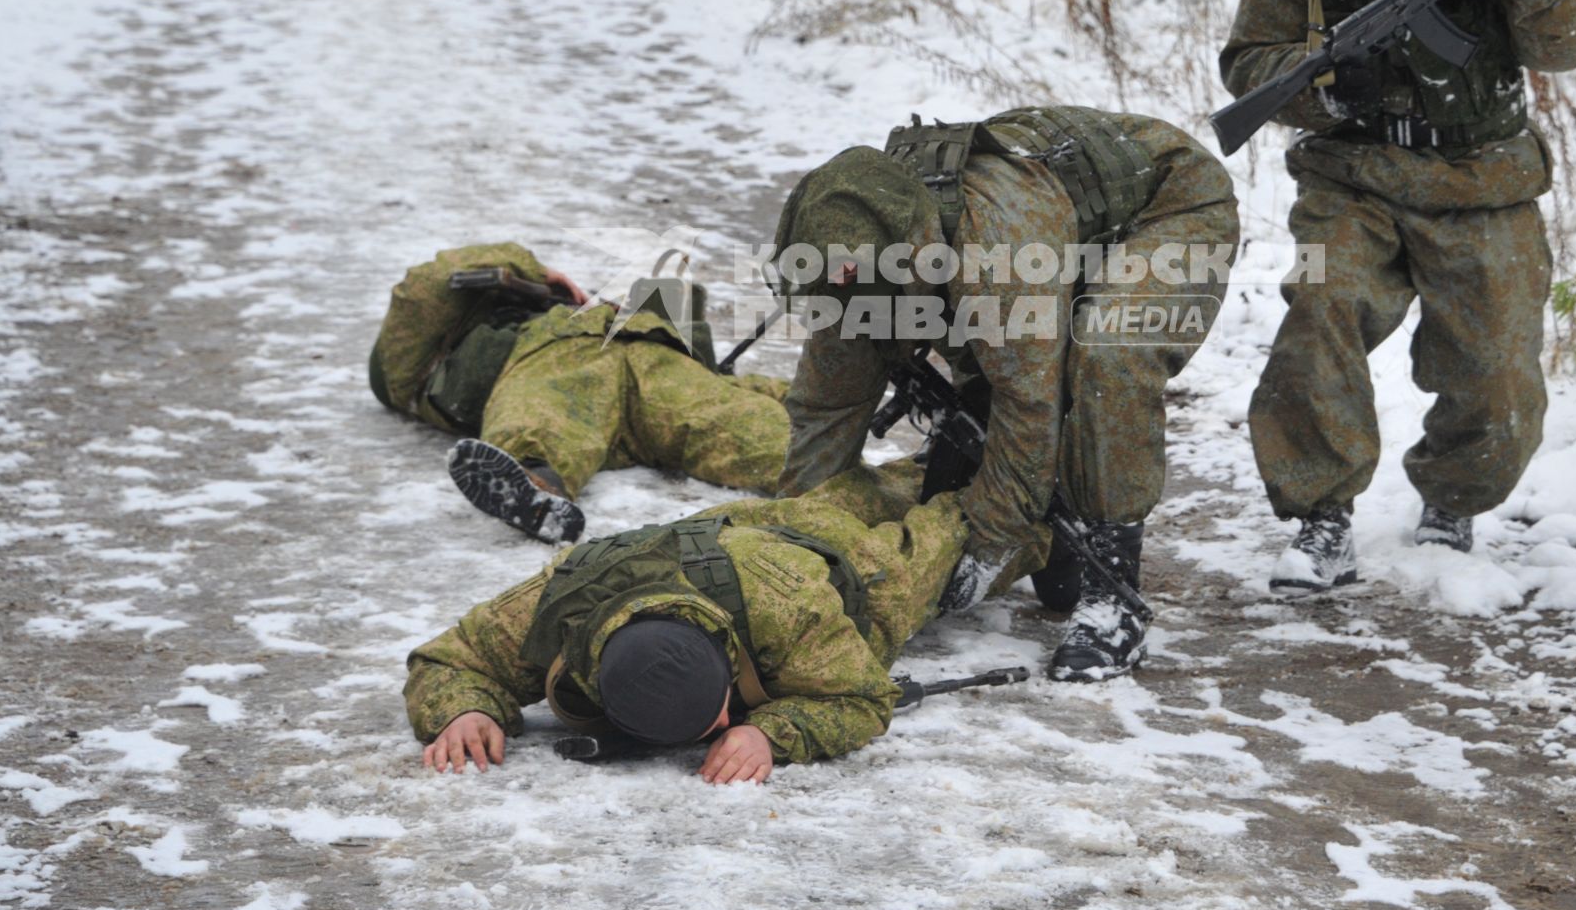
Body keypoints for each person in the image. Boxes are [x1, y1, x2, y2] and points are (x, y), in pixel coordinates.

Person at [1219, 0, 1576, 596]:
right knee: (1322, 311)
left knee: (1499, 378)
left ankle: (1454, 504)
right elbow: (1248, 63)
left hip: (1482, 179)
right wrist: (1327, 83)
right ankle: (1321, 521)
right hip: (1352, 178)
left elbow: (1573, 43)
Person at [770, 106, 1239, 681]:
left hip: (1168, 206)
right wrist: (796, 542)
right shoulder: (847, 250)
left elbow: (1028, 409)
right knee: (987, 407)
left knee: (1108, 356)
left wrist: (983, 547)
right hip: (1038, 238)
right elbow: (827, 408)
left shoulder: (994, 253)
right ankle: (1058, 526)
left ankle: (1113, 598)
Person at [406, 459, 1041, 781]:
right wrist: (467, 710)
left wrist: (773, 732)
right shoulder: (559, 608)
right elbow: (450, 659)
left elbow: (862, 697)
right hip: (734, 540)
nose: (721, 725)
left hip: (837, 572)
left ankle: (1031, 480)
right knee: (915, 505)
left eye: (719, 710)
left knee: (957, 540)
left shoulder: (790, 614)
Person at [369, 241, 791, 543]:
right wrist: (535, 272)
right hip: (561, 365)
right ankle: (535, 483)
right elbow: (421, 287)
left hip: (662, 370)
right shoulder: (457, 351)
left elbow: (734, 390)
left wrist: (817, 403)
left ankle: (837, 479)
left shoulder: (646, 332)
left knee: (756, 428)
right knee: (546, 415)